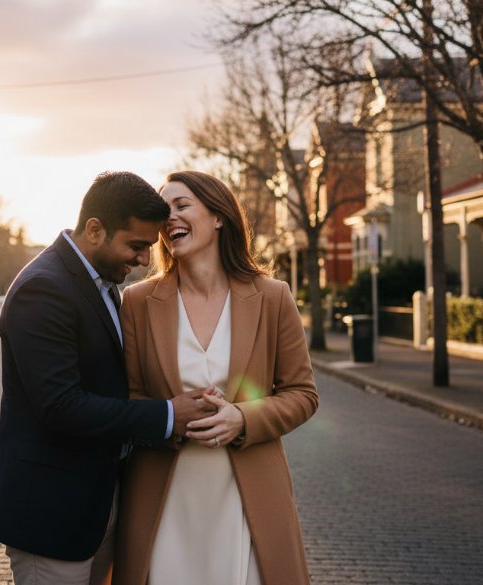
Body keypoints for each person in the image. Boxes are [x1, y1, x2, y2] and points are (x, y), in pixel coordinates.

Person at [0, 171, 216, 585]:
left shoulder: (103, 284)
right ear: (94, 230)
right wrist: (167, 416)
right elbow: (60, 406)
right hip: (51, 511)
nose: (144, 259)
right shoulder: (44, 288)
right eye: (137, 245)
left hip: (97, 503)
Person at [112, 170, 319, 585]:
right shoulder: (136, 302)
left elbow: (303, 394)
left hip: (248, 495)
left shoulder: (272, 296)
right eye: (163, 210)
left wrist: (242, 419)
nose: (169, 218)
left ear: (219, 216)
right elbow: (128, 399)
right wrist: (171, 417)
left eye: (182, 205)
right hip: (164, 495)